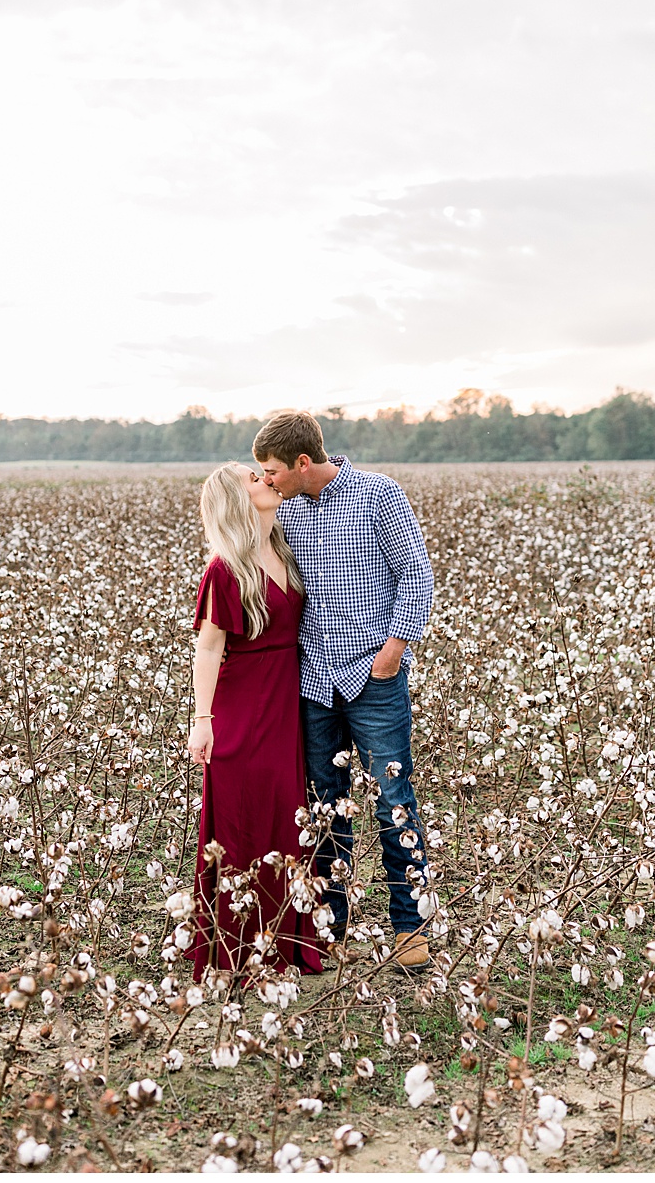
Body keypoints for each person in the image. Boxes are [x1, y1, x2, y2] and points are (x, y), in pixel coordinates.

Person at [253, 410, 436, 971]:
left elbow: (416, 573)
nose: (266, 480)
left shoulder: (377, 494)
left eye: (272, 471)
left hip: (372, 675)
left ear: (302, 463)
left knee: (394, 801)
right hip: (311, 680)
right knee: (326, 807)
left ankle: (410, 929)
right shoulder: (280, 510)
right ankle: (331, 925)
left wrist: (395, 647)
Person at [186, 463, 325, 982]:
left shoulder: (286, 549)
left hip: (287, 698)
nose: (266, 479)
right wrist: (203, 720)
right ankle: (238, 944)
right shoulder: (224, 568)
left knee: (285, 815)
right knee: (244, 820)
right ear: (235, 500)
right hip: (242, 705)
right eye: (253, 478)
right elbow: (208, 649)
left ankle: (284, 941)